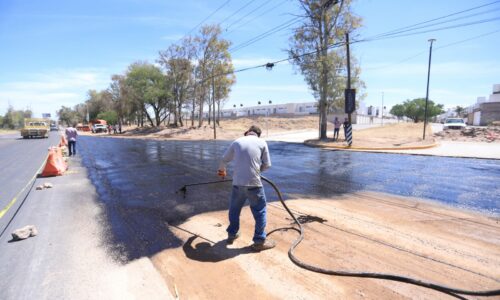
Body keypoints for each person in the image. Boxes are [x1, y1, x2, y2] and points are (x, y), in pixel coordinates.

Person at [218, 125, 274, 251]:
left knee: (234, 209)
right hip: (254, 184)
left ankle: (232, 234)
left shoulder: (237, 141)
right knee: (259, 212)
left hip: (238, 183)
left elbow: (223, 160)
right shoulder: (262, 142)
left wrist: (222, 172)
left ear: (247, 132)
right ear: (258, 134)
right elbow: (267, 165)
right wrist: (258, 171)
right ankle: (259, 241)